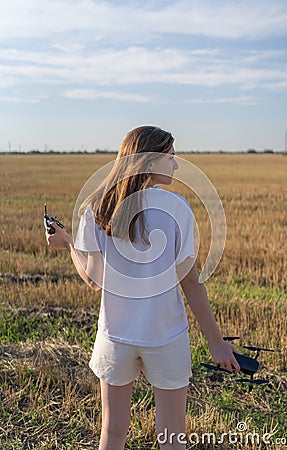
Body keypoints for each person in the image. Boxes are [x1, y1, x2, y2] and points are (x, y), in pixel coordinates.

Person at [46, 126, 240, 450]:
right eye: (171, 158)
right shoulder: (176, 208)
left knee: (112, 432)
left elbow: (94, 280)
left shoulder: (97, 208)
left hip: (115, 337)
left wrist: (68, 244)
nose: (176, 166)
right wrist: (217, 344)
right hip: (166, 337)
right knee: (172, 435)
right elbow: (190, 282)